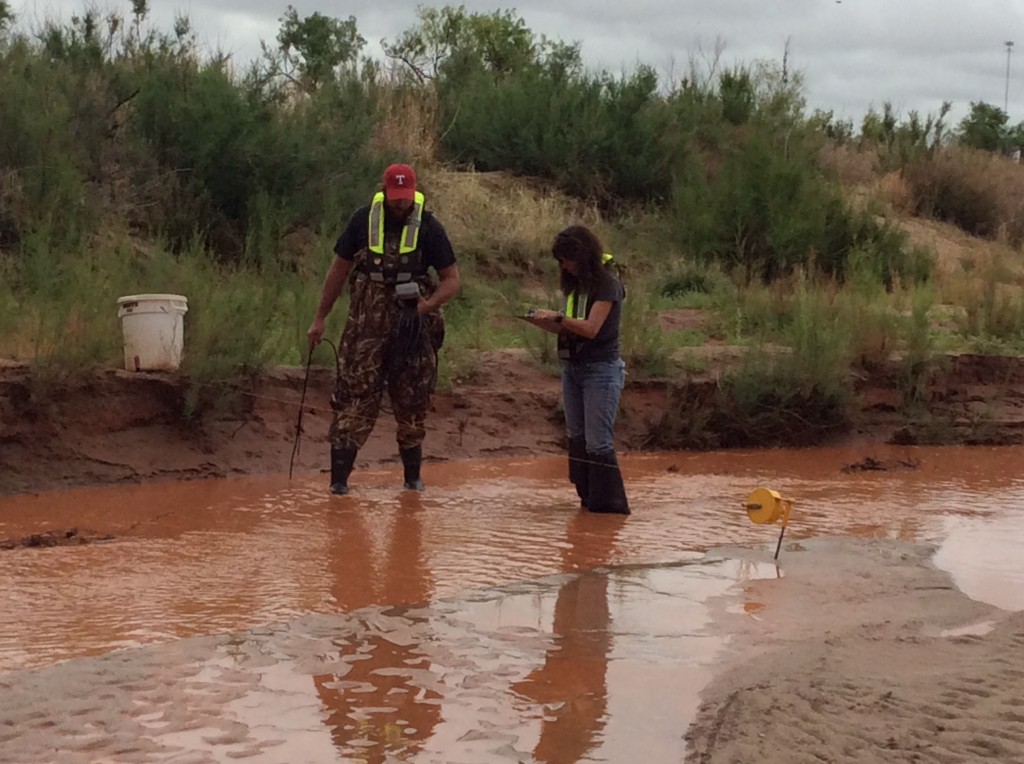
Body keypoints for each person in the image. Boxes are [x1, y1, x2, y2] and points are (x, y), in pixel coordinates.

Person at [307, 163, 461, 495]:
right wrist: (319, 317)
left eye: (406, 198)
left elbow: (451, 280)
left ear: (415, 192)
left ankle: (412, 480)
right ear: (384, 190)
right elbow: (338, 271)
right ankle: (338, 484)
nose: (400, 204)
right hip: (366, 326)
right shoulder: (362, 220)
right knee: (354, 396)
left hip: (412, 328)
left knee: (412, 398)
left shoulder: (430, 227)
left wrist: (426, 307)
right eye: (395, 197)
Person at [525, 225, 629, 514]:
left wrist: (557, 318)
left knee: (598, 442)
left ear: (583, 256)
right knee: (577, 437)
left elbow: (592, 328)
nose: (565, 266)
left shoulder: (608, 284)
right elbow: (572, 326)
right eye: (561, 261)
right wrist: (546, 321)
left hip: (601, 369)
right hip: (574, 368)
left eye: (568, 260)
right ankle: (589, 501)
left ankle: (608, 507)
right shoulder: (575, 285)